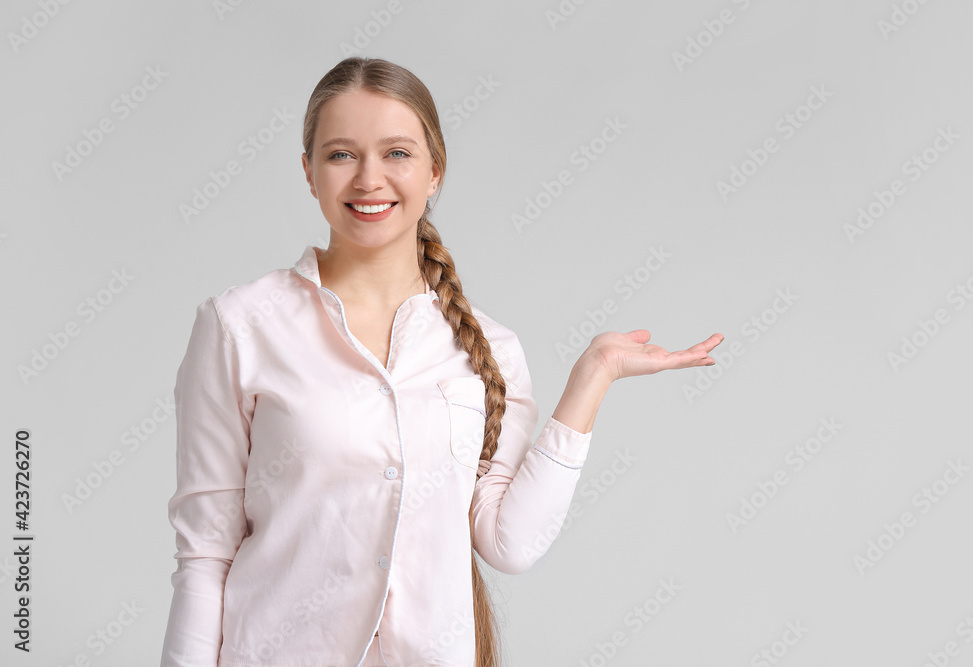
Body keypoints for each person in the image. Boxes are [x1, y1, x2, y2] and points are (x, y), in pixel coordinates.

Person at [159, 56, 723, 667]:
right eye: (341, 154)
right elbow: (206, 552)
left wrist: (594, 376)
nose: (369, 178)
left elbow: (509, 543)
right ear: (309, 173)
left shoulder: (491, 347)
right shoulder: (239, 326)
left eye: (397, 153)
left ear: (435, 172)